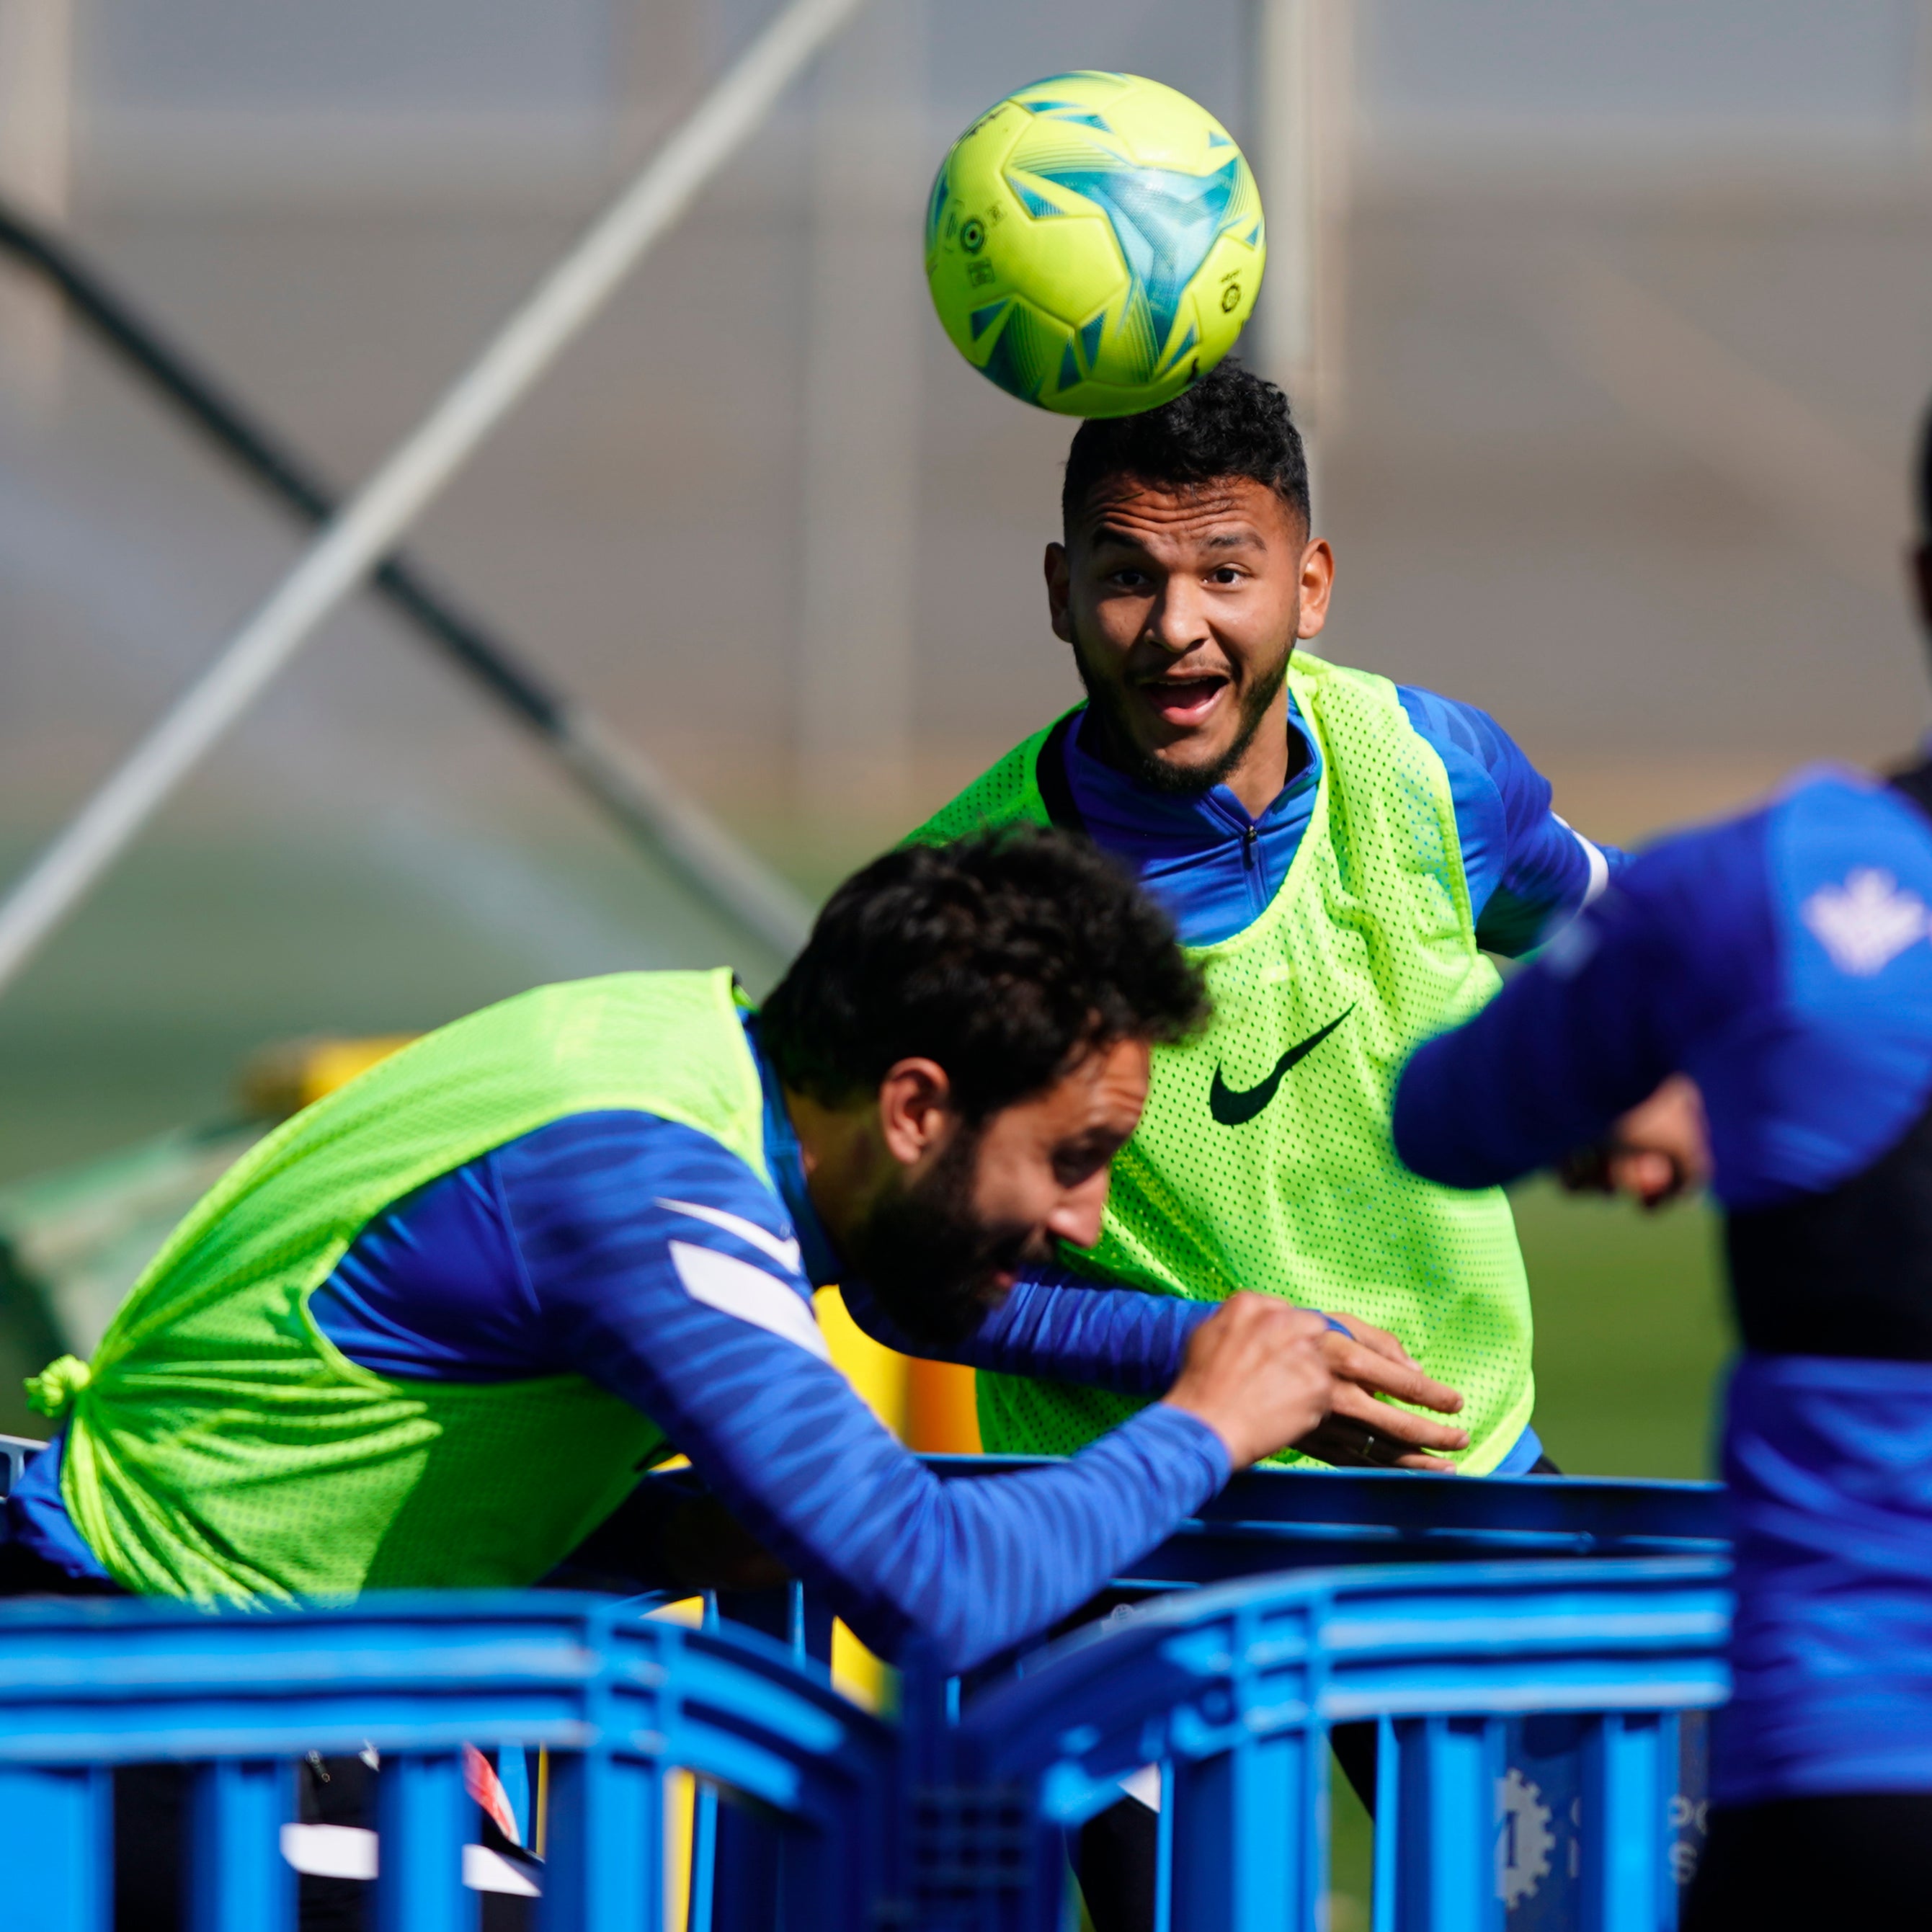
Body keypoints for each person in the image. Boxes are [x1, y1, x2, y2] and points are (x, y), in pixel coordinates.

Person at [5, 830, 1333, 1676]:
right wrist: (1207, 1418)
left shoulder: (695, 1062)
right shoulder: (647, 1191)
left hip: (166, 1653)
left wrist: (1210, 1343)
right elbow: (934, 1589)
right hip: (138, 1678)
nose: (1085, 1218)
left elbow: (903, 1282)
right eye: (1069, 1157)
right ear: (915, 1108)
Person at [1390, 413, 1932, 1924]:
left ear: (1921, 581)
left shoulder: (1757, 889)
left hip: (1855, 1783)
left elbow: (1443, 1120)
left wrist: (1702, 1066)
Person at [906, 359, 1630, 1482]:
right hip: (1131, 1535)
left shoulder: (1432, 774)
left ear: (1310, 586)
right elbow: (906, 1274)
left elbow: (1625, 927)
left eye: (1226, 572)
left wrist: (1630, 1052)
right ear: (1059, 591)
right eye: (1127, 576)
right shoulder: (967, 892)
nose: (1174, 627)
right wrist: (1209, 1357)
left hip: (1465, 1485)